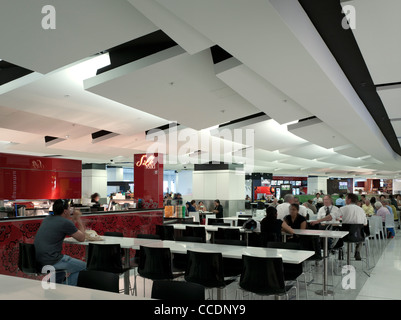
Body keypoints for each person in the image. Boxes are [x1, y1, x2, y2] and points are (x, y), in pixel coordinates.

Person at [34, 199, 86, 286]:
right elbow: (82, 238)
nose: (70, 211)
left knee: (61, 271)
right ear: (65, 211)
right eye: (69, 209)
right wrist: (78, 219)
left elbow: (68, 228)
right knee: (85, 267)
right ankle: (64, 287)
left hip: (38, 260)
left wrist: (73, 220)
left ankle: (54, 288)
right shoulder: (65, 222)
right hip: (52, 259)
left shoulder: (47, 219)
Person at [311, 193, 367, 260]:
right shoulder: (361, 210)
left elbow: (330, 216)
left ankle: (332, 249)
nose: (345, 200)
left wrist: (317, 221)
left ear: (349, 200)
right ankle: (357, 251)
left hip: (344, 236)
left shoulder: (343, 208)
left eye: (345, 199)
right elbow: (365, 224)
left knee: (333, 232)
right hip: (359, 236)